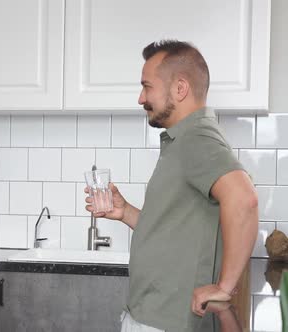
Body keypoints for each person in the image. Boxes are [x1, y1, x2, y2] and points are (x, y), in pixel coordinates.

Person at [85, 40, 259, 331]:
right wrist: (126, 211)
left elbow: (244, 199)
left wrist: (224, 288)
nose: (141, 98)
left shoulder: (195, 139)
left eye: (147, 86)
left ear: (180, 89)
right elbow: (174, 231)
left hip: (165, 322)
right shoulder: (182, 142)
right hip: (153, 314)